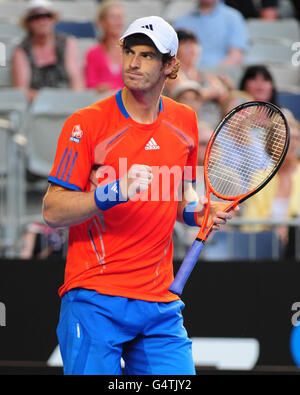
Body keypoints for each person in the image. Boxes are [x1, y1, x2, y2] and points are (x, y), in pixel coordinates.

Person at [42, 15, 233, 375]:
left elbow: (180, 194)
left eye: (146, 55)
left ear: (170, 65)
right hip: (95, 298)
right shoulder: (85, 123)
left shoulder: (185, 122)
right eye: (130, 52)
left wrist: (200, 212)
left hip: (159, 304)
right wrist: (110, 192)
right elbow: (52, 210)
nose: (133, 62)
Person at [241, 109, 300, 257]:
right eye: (284, 138)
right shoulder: (259, 178)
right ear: (272, 144)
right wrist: (273, 233)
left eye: (296, 139)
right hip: (265, 252)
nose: (292, 144)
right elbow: (250, 223)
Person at [12, 0, 84, 101]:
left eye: (47, 16)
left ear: (53, 20)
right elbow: (22, 91)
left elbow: (77, 83)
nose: (43, 21)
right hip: (36, 108)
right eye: (36, 17)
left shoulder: (67, 43)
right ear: (28, 23)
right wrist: (51, 100)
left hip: (68, 104)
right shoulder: (21, 50)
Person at [173, 0, 248, 68]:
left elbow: (236, 56)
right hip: (187, 76)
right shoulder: (181, 21)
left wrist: (214, 75)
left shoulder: (234, 17)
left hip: (220, 76)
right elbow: (174, 57)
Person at [85, 0, 125, 93]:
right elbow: (90, 84)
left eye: (120, 17)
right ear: (102, 22)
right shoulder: (93, 53)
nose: (117, 22)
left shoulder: (131, 53)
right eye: (113, 17)